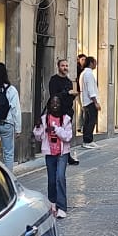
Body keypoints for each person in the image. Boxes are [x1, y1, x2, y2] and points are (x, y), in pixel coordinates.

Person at [34, 91, 75, 219]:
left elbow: (68, 137)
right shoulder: (44, 119)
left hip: (62, 153)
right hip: (49, 153)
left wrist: (56, 130)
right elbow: (39, 137)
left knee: (60, 177)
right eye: (53, 103)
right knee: (51, 180)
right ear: (49, 105)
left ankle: (62, 207)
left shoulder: (66, 119)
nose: (55, 105)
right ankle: (52, 204)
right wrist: (38, 128)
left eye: (57, 103)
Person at [46, 57, 81, 165]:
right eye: (63, 66)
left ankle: (66, 154)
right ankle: (54, 152)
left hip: (67, 112)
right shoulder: (54, 80)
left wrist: (72, 95)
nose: (65, 68)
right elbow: (53, 96)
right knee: (55, 133)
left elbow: (70, 98)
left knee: (66, 134)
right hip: (56, 113)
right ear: (58, 67)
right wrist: (67, 93)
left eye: (66, 66)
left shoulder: (68, 81)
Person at [78, 54, 101, 146]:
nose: (96, 64)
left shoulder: (83, 73)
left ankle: (87, 140)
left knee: (87, 120)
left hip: (85, 101)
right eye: (95, 62)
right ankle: (88, 140)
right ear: (91, 63)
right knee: (91, 120)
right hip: (90, 101)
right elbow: (91, 89)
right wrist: (95, 102)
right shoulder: (89, 74)